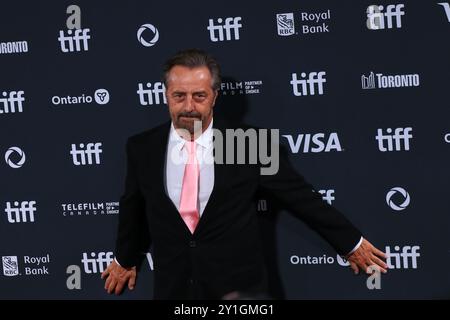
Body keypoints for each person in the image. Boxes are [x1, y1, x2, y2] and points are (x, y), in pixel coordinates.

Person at [101, 48, 388, 299]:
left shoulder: (248, 144)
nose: (188, 106)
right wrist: (125, 258)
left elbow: (301, 198)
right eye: (179, 96)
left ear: (214, 96)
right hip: (174, 289)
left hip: (239, 291)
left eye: (199, 96)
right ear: (166, 95)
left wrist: (351, 243)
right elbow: (133, 207)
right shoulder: (143, 148)